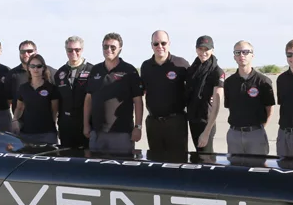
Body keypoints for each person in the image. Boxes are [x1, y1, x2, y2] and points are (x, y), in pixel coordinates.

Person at [83, 32, 144, 154]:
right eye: (105, 46)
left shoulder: (129, 71)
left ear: (120, 48)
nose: (108, 50)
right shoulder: (95, 70)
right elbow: (88, 99)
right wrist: (85, 125)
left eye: (113, 47)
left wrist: (138, 127)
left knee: (120, 170)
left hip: (121, 132)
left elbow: (137, 101)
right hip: (97, 132)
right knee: (96, 169)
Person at [140, 30, 190, 160]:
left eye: (163, 43)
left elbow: (194, 88)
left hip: (176, 123)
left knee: (179, 163)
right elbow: (142, 91)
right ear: (151, 45)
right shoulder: (146, 66)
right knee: (156, 164)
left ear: (169, 44)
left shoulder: (181, 64)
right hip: (154, 123)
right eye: (156, 44)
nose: (160, 47)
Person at [223, 41, 275, 155]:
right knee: (235, 170)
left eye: (245, 52)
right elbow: (229, 107)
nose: (242, 55)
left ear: (252, 55)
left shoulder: (263, 81)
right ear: (234, 57)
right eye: (238, 52)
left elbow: (269, 110)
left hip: (256, 134)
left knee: (258, 169)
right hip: (234, 134)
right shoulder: (229, 82)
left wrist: (258, 129)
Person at [184, 35, 224, 152]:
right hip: (193, 119)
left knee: (206, 158)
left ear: (212, 50)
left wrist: (206, 132)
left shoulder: (217, 72)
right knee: (197, 157)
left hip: (206, 122)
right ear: (196, 49)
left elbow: (216, 105)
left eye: (206, 49)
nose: (203, 52)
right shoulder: (192, 70)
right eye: (200, 49)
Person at [54, 36, 94, 149]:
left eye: (77, 49)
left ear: (82, 49)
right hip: (66, 124)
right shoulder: (60, 73)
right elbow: (57, 101)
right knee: (66, 156)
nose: (73, 53)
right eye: (70, 50)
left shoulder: (92, 70)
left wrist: (88, 124)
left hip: (86, 124)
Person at [13, 53, 60, 144]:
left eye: (39, 66)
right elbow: (19, 108)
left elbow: (54, 111)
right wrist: (15, 120)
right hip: (26, 133)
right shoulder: (23, 88)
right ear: (28, 68)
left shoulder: (51, 88)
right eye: (32, 66)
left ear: (43, 68)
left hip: (47, 133)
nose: (35, 69)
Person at [8, 40, 38, 119]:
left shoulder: (47, 72)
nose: (26, 54)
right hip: (20, 123)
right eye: (22, 51)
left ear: (36, 52)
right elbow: (10, 100)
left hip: (43, 124)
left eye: (29, 51)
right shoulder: (12, 74)